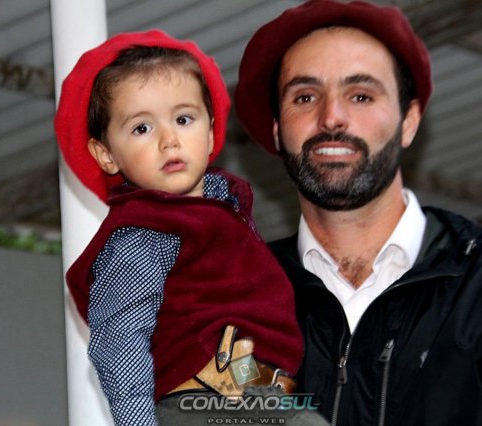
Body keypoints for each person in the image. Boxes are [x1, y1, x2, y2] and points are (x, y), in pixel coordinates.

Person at [234, 1, 482, 425]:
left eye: (360, 95)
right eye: (305, 97)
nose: (332, 117)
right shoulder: (232, 301)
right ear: (278, 131)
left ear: (408, 122)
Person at [54, 30, 327, 425]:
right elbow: (120, 339)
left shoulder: (225, 210)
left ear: (211, 132)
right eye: (142, 128)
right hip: (203, 403)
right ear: (106, 154)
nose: (169, 140)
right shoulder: (145, 232)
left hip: (263, 399)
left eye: (183, 119)